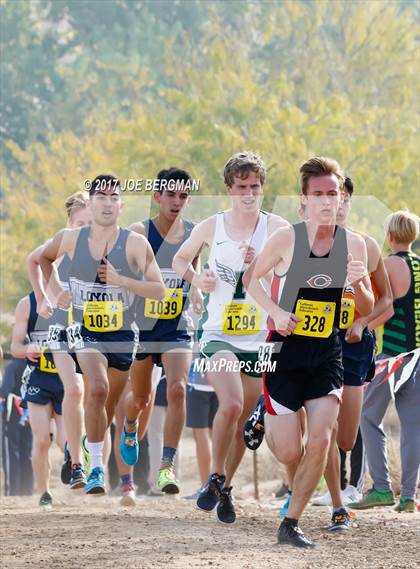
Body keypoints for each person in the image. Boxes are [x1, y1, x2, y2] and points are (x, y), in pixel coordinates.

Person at [244, 156, 373, 547]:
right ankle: (265, 415)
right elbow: (251, 279)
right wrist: (276, 312)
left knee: (321, 439)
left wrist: (360, 284)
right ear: (304, 199)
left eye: (332, 194)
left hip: (326, 354)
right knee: (289, 449)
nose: (327, 201)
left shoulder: (353, 244)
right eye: (318, 194)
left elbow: (365, 306)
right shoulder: (287, 239)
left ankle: (291, 522)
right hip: (284, 353)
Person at [173, 151, 288, 523]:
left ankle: (223, 485)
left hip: (259, 335)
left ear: (263, 188)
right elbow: (179, 260)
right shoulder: (212, 226)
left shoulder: (277, 228)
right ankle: (216, 477)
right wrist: (197, 279)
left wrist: (265, 265)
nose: (249, 193)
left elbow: (290, 272)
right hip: (218, 332)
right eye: (242, 187)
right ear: (229, 189)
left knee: (245, 422)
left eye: (255, 186)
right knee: (234, 404)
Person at [39, 174, 165, 494]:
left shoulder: (135, 243)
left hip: (123, 333)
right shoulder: (70, 239)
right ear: (91, 203)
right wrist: (54, 292)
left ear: (121, 205)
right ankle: (95, 468)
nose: (107, 204)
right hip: (85, 330)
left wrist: (122, 281)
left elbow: (158, 291)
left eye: (113, 198)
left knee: (108, 408)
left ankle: (107, 437)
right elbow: (42, 259)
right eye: (101, 198)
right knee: (96, 388)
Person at [313, 176, 392, 520]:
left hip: (357, 345)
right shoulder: (309, 243)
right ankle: (334, 492)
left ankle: (351, 485)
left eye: (343, 198)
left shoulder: (367, 246)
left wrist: (362, 323)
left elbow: (386, 301)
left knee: (347, 431)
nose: (338, 204)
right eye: (331, 196)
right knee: (321, 420)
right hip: (320, 342)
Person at [121, 167, 199, 495]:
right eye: (171, 195)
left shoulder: (194, 233)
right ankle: (127, 426)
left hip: (177, 325)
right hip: (143, 326)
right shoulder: (139, 232)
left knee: (178, 389)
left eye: (183, 196)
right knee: (141, 399)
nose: (177, 201)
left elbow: (191, 267)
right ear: (157, 197)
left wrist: (194, 286)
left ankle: (166, 466)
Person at [349, 210, 420, 513]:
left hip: (392, 356)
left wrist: (362, 323)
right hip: (417, 356)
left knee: (366, 416)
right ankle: (408, 496)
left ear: (390, 236)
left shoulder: (389, 264)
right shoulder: (418, 264)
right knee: (412, 426)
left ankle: (380, 487)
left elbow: (386, 309)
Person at [27, 191, 92, 488]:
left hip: (91, 328)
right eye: (79, 223)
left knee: (93, 395)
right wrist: (44, 297)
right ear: (69, 223)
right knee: (74, 389)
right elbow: (34, 260)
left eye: (88, 223)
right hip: (61, 328)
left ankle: (78, 453)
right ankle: (76, 462)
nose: (83, 229)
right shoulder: (62, 243)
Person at [11, 292, 66, 508]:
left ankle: (75, 466)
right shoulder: (26, 304)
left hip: (66, 379)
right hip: (38, 377)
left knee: (64, 442)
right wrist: (27, 349)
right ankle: (44, 493)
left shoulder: (71, 297)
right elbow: (15, 347)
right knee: (42, 439)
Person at [0, 355, 33, 496]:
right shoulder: (34, 366)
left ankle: (13, 490)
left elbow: (5, 390)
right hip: (32, 413)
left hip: (13, 415)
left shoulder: (12, 366)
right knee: (27, 452)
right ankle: (28, 489)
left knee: (12, 452)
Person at [185, 355, 218, 497]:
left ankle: (206, 487)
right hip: (221, 380)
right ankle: (220, 485)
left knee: (201, 436)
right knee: (218, 435)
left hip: (198, 380)